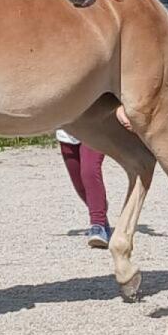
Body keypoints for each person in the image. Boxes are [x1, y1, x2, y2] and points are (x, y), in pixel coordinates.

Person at [57, 106, 134, 249]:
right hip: (67, 132)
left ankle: (98, 225)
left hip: (95, 127)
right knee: (79, 185)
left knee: (89, 171)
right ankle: (99, 208)